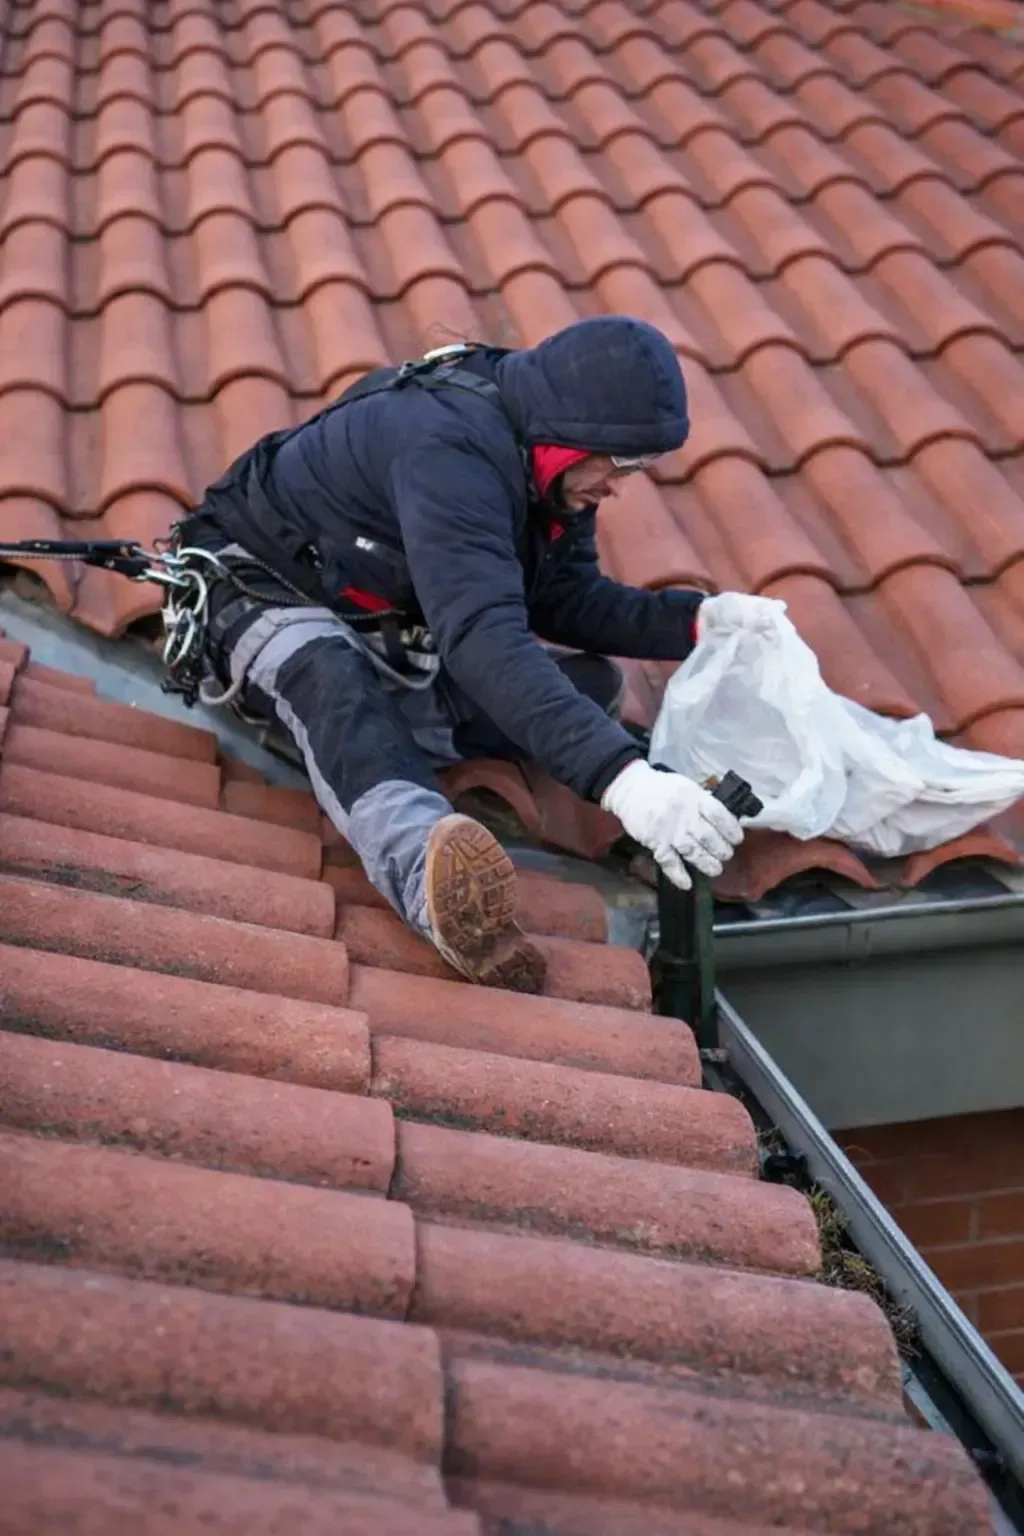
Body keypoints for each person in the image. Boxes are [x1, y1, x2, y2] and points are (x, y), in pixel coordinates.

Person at [178, 315, 774, 994]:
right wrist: (624, 780)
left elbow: (564, 599)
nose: (619, 486)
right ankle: (432, 882)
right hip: (250, 586)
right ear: (571, 439)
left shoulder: (544, 462)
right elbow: (485, 636)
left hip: (367, 615)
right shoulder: (449, 450)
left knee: (590, 688)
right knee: (333, 679)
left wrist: (698, 621)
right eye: (621, 465)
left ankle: (380, 734)